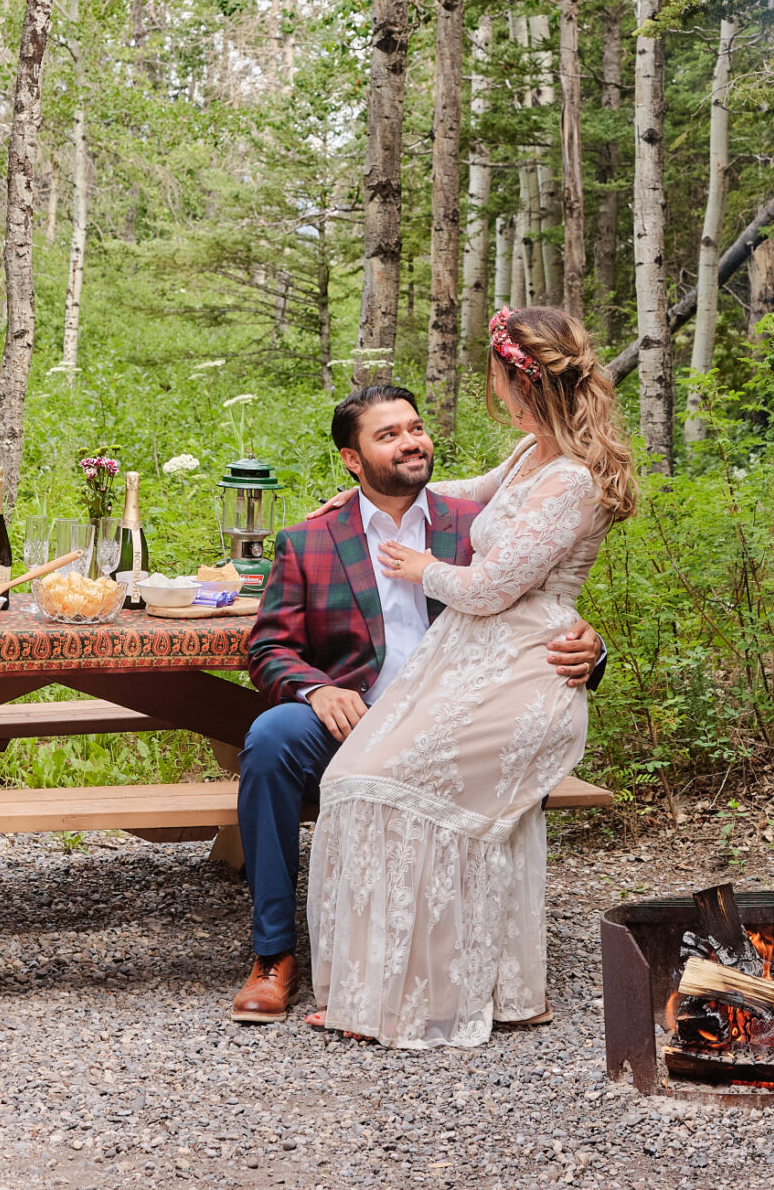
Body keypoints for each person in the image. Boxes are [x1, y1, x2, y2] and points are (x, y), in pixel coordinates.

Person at [306, 305, 638, 1048]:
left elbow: (491, 587)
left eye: (493, 373)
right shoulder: (532, 452)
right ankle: (443, 985)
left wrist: (423, 567)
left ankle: (421, 996)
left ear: (521, 381)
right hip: (474, 657)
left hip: (523, 666)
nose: (490, 385)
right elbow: (464, 492)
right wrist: (363, 497)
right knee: (359, 779)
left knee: (389, 785)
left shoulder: (572, 480)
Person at [227, 381, 608, 1025]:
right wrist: (319, 689)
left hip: (457, 719)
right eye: (389, 435)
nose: (411, 443)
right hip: (352, 712)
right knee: (271, 741)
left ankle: (451, 964)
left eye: (416, 428)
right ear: (352, 460)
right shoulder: (311, 539)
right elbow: (268, 647)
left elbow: (535, 604)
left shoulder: (476, 530)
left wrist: (592, 650)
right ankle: (274, 956)